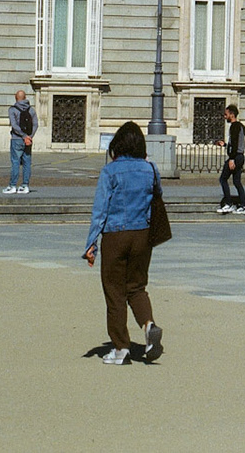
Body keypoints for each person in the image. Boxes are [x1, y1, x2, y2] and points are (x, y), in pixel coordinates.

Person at [84, 120, 164, 366]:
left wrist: (91, 244)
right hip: (143, 234)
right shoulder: (150, 168)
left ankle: (121, 348)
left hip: (116, 235)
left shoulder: (110, 171)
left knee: (115, 291)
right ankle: (148, 325)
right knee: (137, 287)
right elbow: (158, 195)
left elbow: (100, 210)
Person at [218, 105, 245, 214]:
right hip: (239, 156)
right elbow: (235, 144)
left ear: (232, 114)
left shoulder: (234, 126)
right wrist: (225, 145)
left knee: (223, 179)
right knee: (236, 181)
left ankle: (228, 203)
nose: (225, 117)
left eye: (226, 114)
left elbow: (235, 144)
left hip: (235, 157)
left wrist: (231, 159)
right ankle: (243, 205)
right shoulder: (240, 126)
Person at [7, 91, 36, 193]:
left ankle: (13, 185)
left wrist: (23, 136)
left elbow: (14, 125)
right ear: (25, 97)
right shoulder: (31, 110)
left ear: (16, 98)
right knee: (27, 163)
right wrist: (29, 137)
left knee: (15, 162)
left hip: (16, 139)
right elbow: (35, 124)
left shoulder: (12, 109)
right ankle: (25, 185)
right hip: (28, 140)